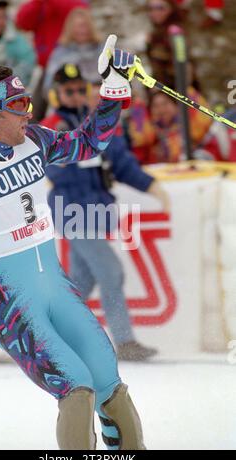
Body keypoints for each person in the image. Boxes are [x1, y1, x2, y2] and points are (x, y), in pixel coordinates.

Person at [0, 36, 146, 450]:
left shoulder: (33, 140)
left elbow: (88, 143)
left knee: (110, 383)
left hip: (55, 286)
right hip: (4, 301)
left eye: (28, 103)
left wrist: (114, 90)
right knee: (77, 388)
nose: (28, 114)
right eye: (18, 107)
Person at [43, 64, 169, 361]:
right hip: (72, 213)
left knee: (80, 283)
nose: (75, 95)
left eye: (79, 89)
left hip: (95, 214)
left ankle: (51, 336)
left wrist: (150, 185)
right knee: (112, 272)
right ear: (56, 94)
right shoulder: (51, 126)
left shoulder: (96, 124)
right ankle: (124, 342)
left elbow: (121, 163)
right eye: (68, 91)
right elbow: (54, 170)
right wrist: (81, 158)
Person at [43, 8, 103, 98]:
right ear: (70, 29)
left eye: (84, 26)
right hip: (69, 102)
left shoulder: (102, 51)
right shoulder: (60, 53)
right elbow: (48, 86)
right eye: (78, 26)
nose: (82, 30)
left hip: (99, 100)